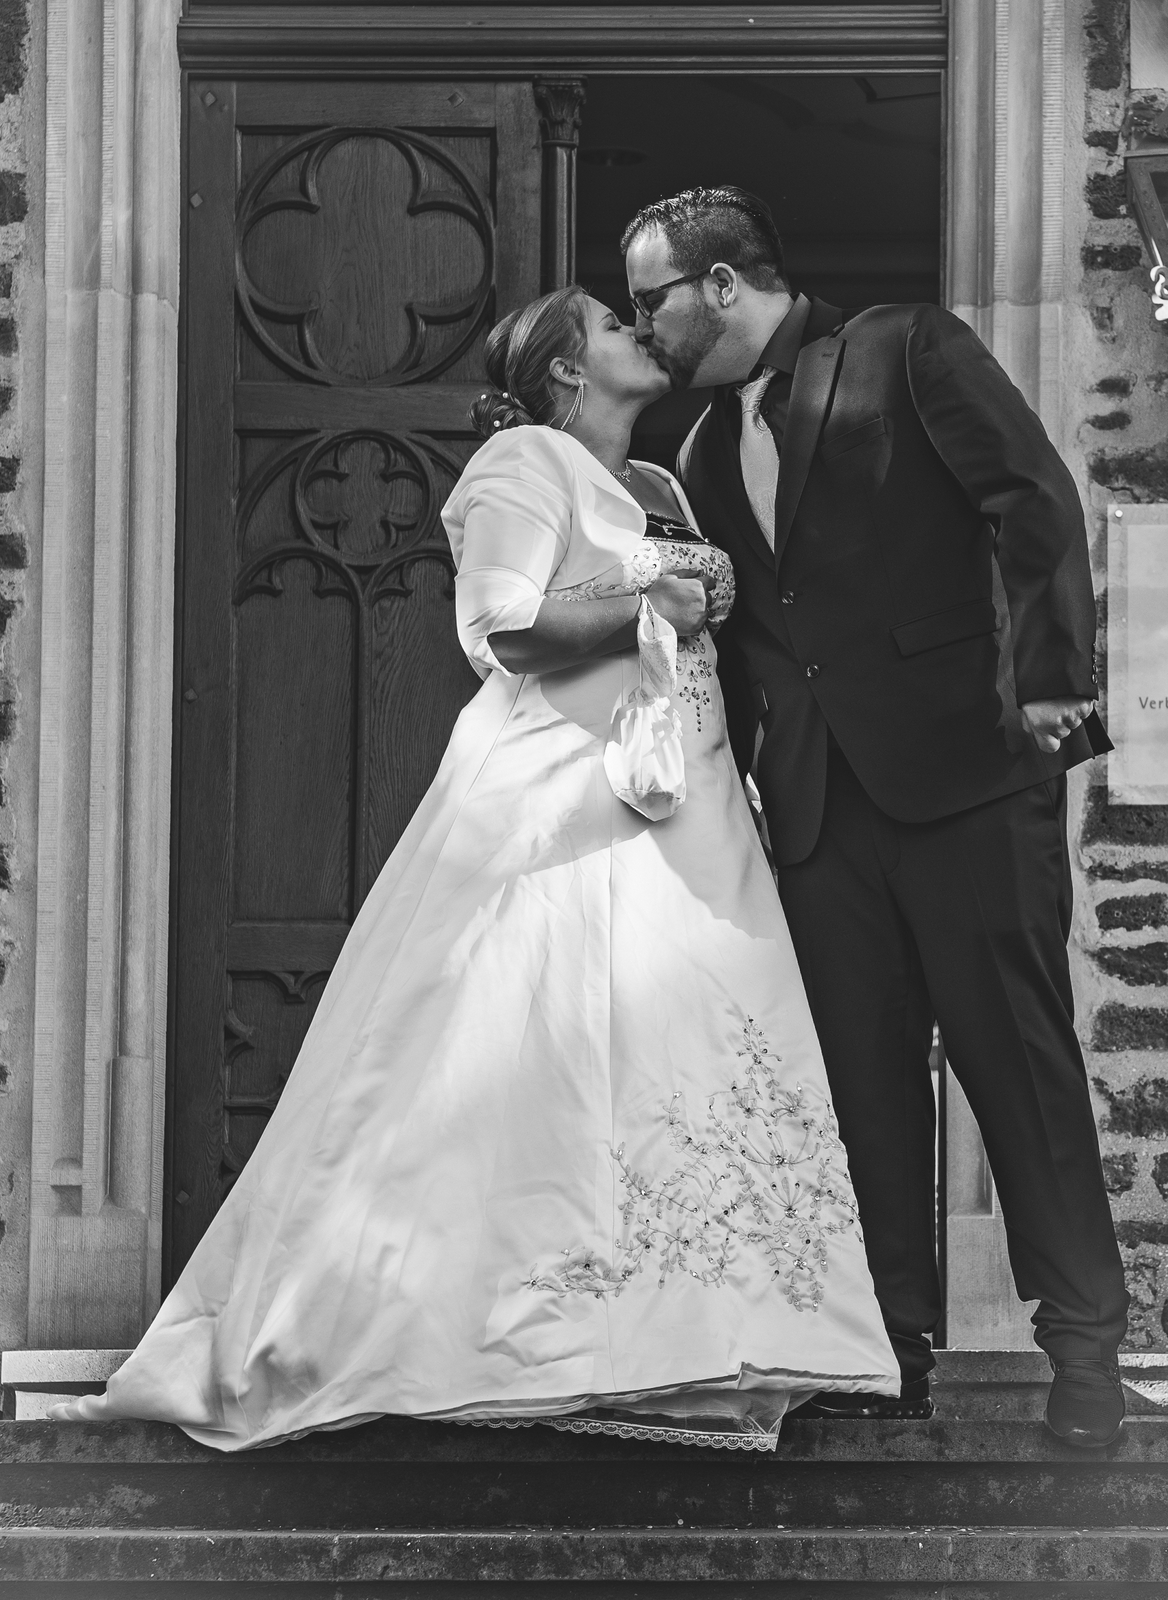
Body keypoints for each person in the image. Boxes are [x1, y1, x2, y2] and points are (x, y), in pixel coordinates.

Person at [52, 285, 897, 1452]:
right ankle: (496, 1327)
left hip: (687, 803)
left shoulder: (660, 482)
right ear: (565, 369)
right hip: (568, 791)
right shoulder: (523, 462)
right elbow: (499, 627)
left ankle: (690, 1344)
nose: (636, 332)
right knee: (525, 1044)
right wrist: (648, 594)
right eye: (611, 325)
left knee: (680, 1056)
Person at [622, 185, 1130, 1449]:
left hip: (968, 779)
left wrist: (1053, 680)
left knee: (1017, 1064)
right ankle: (889, 1346)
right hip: (816, 814)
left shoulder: (907, 347)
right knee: (860, 1085)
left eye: (652, 300)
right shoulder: (697, 454)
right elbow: (755, 644)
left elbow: (1032, 497)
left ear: (722, 284)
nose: (643, 327)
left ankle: (1082, 1350)